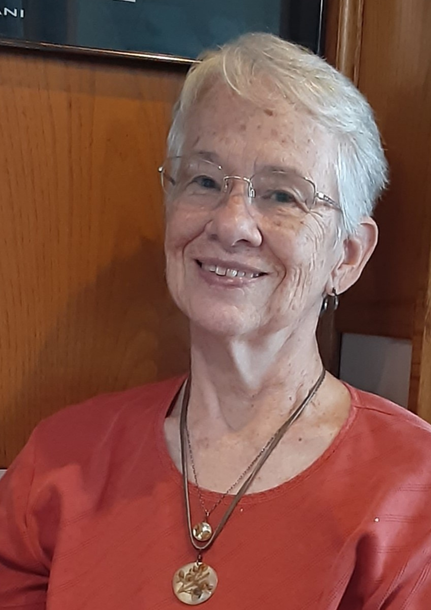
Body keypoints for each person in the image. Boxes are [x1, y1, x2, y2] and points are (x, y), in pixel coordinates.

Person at [1, 32, 430, 609]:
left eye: (283, 195)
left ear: (347, 256)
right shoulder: (57, 462)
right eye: (204, 181)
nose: (231, 224)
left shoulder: (415, 494)